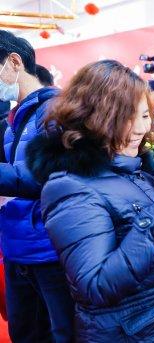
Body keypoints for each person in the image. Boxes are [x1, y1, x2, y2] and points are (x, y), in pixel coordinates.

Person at [26, 59, 154, 342]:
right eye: (127, 118)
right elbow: (96, 284)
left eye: (145, 116)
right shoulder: (68, 187)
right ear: (94, 118)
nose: (141, 129)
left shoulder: (133, 168)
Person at [0, 30, 74, 342]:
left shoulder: (55, 111)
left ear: (14, 62)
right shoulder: (13, 120)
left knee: (62, 332)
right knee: (24, 332)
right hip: (16, 247)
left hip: (49, 249)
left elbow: (40, 177)